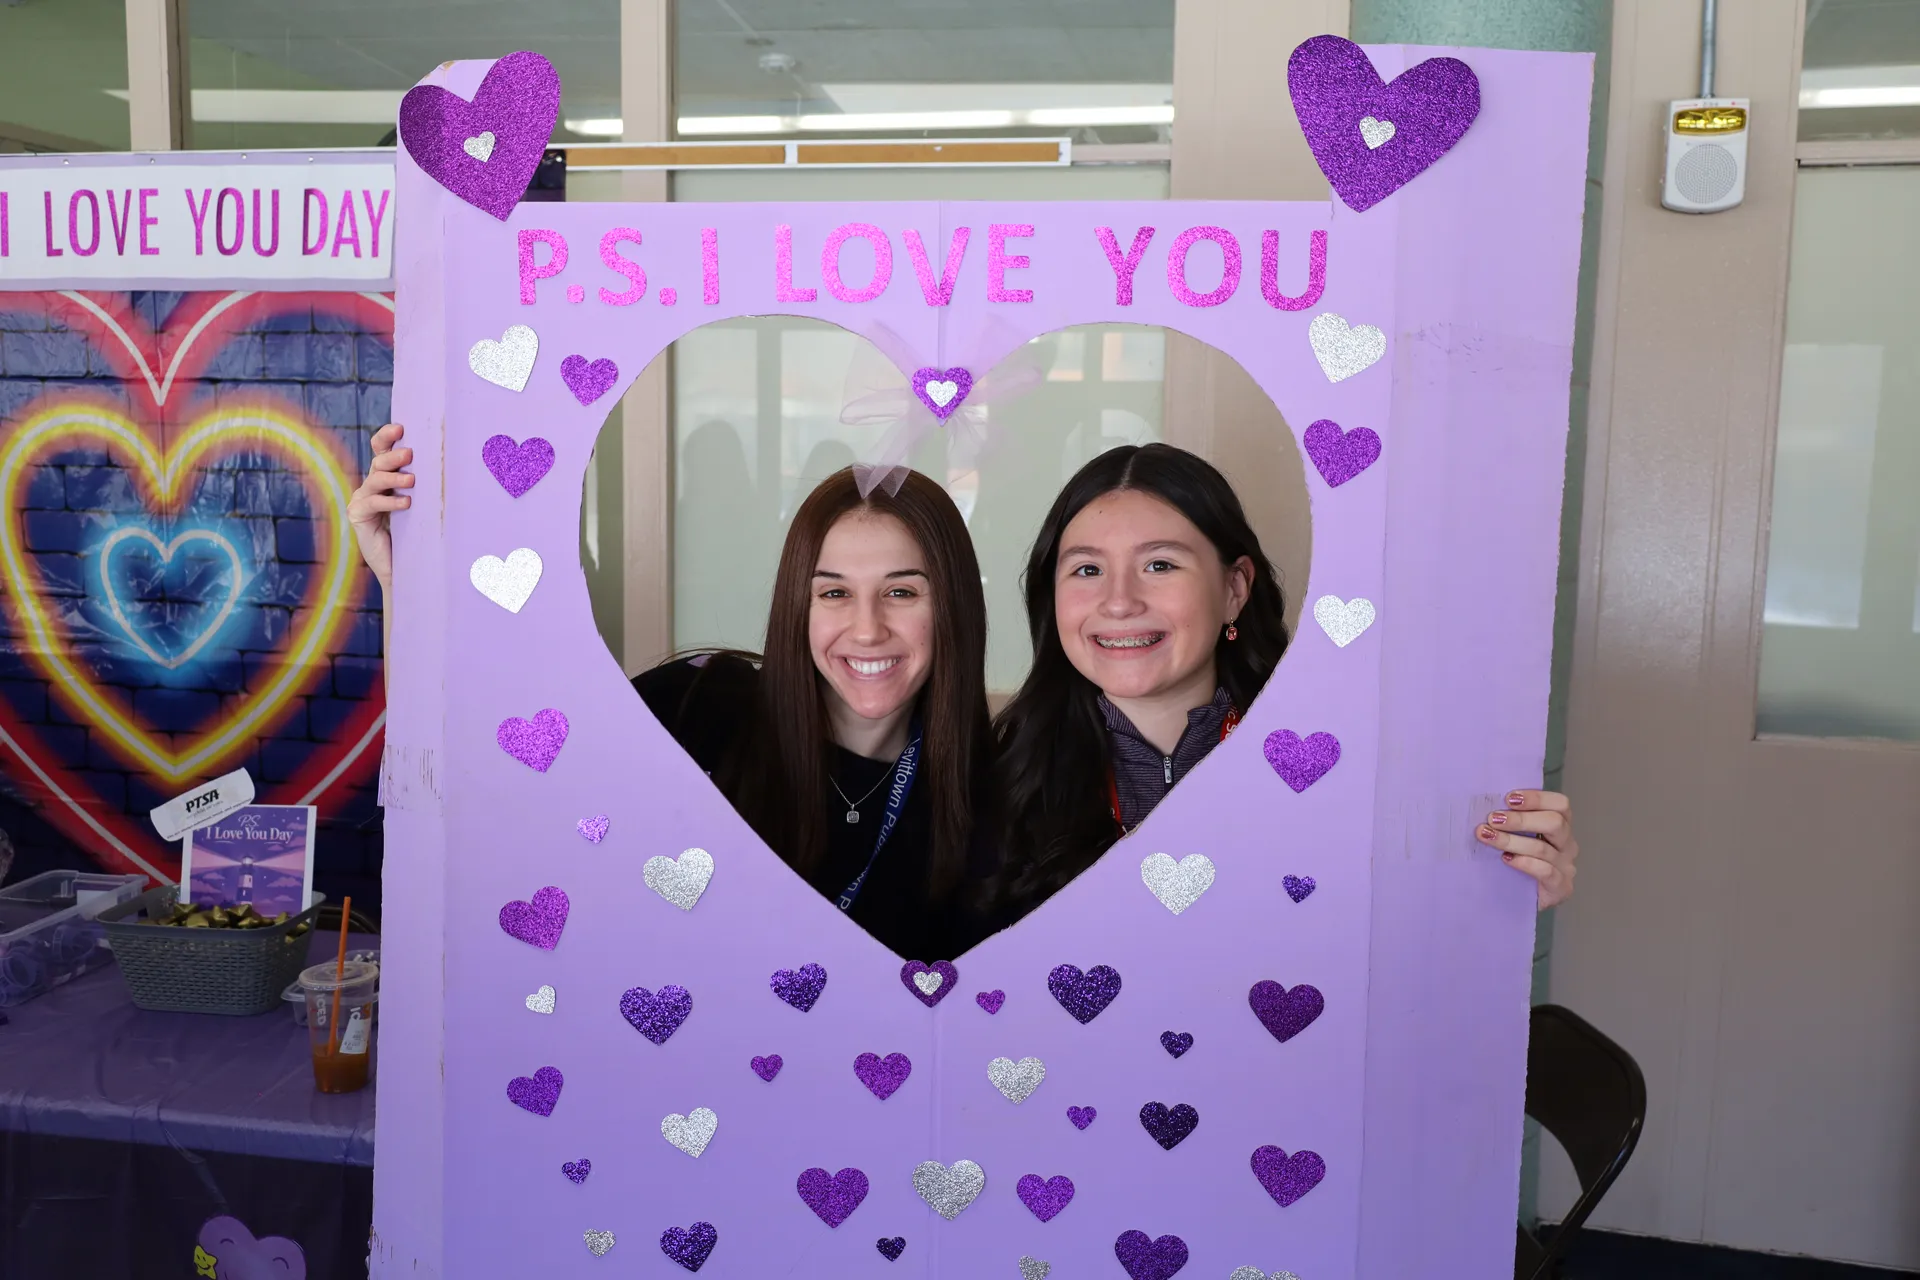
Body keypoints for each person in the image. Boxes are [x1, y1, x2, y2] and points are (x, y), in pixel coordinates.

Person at [348, 425, 995, 960]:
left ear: (954, 607)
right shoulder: (700, 707)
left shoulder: (995, 790)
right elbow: (483, 774)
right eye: (833, 592)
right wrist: (403, 582)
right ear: (797, 606)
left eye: (902, 592)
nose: (866, 627)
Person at [991, 443, 1578, 916]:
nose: (1119, 602)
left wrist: (1503, 891)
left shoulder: (1346, 756)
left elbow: (1411, 952)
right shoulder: (991, 772)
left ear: (1234, 589)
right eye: (1088, 569)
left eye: (1160, 564)